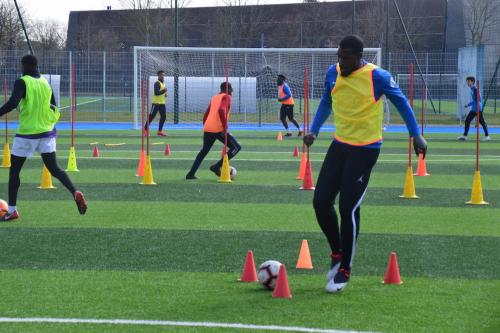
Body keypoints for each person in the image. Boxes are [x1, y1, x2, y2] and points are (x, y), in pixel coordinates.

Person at [303, 35, 427, 293]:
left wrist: (416, 134)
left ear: (359, 57)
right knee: (320, 201)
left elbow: (402, 102)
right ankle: (337, 253)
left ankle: (345, 269)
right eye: (339, 56)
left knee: (348, 207)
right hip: (340, 145)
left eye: (346, 57)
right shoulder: (333, 72)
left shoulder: (378, 77)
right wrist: (314, 130)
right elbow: (327, 100)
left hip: (366, 149)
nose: (341, 61)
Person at [0, 54, 87, 221]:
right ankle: (74, 191)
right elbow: (54, 106)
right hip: (47, 133)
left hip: (27, 135)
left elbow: (12, 103)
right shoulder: (46, 83)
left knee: (14, 172)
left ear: (24, 66)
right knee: (55, 169)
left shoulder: (22, 81)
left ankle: (12, 211)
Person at [186, 82, 241, 180]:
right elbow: (221, 110)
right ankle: (216, 166)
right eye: (231, 88)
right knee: (236, 147)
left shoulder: (215, 97)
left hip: (208, 127)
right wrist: (225, 127)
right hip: (219, 129)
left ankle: (190, 174)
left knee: (203, 151)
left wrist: (206, 125)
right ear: (227, 89)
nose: (232, 90)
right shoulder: (227, 97)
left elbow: (206, 113)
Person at [457, 76, 490, 141]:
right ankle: (465, 136)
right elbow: (474, 100)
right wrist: (468, 105)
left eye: (469, 81)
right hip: (474, 109)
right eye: (467, 81)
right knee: (467, 121)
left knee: (481, 122)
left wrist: (477, 109)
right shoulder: (472, 89)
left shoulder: (475, 89)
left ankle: (487, 136)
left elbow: (479, 99)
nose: (467, 83)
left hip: (477, 109)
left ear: (472, 82)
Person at [145, 70, 168, 137]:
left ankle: (159, 131)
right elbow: (156, 93)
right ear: (158, 76)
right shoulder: (157, 83)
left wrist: (165, 94)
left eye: (163, 75)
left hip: (162, 103)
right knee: (151, 117)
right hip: (156, 103)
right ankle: (145, 130)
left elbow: (162, 93)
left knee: (163, 117)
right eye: (161, 75)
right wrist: (164, 91)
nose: (162, 76)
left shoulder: (163, 84)